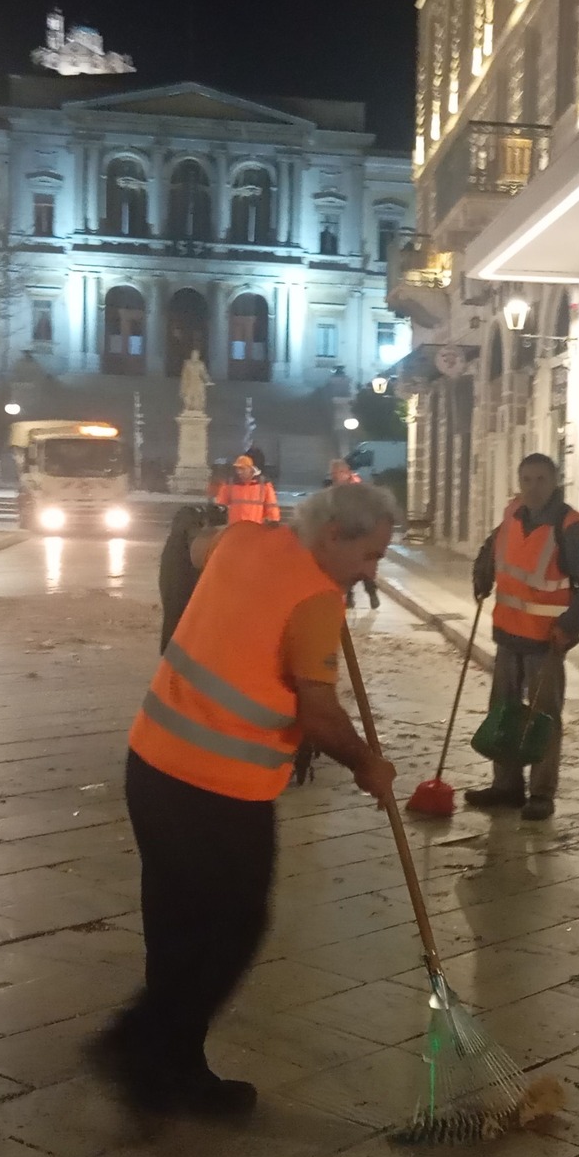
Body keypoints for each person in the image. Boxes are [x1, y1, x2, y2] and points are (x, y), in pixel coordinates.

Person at [102, 483, 399, 1117]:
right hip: (221, 792)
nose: (372, 571)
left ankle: (170, 1067)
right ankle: (138, 1044)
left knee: (176, 921)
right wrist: (367, 764)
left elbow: (194, 547)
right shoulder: (317, 600)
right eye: (369, 554)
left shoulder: (242, 539)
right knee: (234, 928)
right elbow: (319, 715)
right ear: (333, 536)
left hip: (152, 763)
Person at [466, 454, 579, 822]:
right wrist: (482, 576)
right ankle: (506, 786)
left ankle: (542, 794)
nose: (533, 487)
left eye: (541, 479)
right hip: (507, 634)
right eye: (527, 479)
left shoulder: (570, 527)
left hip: (546, 641)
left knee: (542, 719)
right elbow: (492, 550)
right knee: (502, 712)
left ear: (555, 481)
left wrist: (570, 626)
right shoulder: (513, 514)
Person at [158, 500, 227, 654]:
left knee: (175, 619)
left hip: (179, 636)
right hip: (189, 642)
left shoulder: (175, 545)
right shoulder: (194, 541)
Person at [329, 459, 382, 611]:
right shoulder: (337, 488)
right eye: (333, 474)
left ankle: (371, 592)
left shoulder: (357, 488)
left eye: (337, 473)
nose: (335, 476)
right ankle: (350, 596)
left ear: (345, 473)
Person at [214, 454, 280, 525]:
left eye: (242, 468)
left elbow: (271, 505)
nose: (239, 472)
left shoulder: (264, 484)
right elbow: (221, 503)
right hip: (235, 527)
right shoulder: (230, 483)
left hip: (254, 527)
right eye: (237, 469)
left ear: (251, 469)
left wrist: (274, 520)